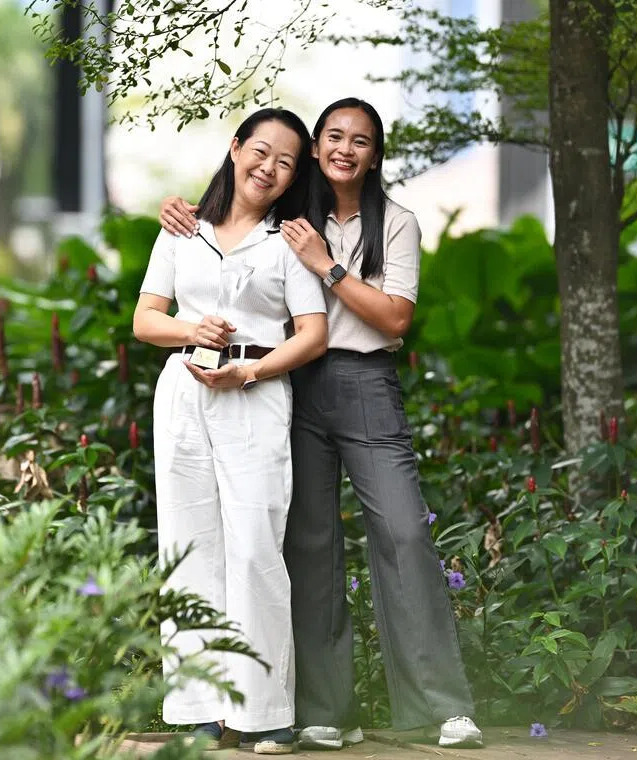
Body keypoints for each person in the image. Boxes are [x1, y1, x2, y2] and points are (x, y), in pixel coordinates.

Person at [157, 97, 484, 750]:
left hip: (364, 382)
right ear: (315, 148)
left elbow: (394, 317)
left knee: (402, 532)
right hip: (294, 384)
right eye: (333, 136)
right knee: (306, 544)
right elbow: (226, 227)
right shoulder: (289, 208)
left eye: (360, 141)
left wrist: (326, 265)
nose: (344, 149)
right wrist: (178, 210)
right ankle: (326, 709)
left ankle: (443, 705)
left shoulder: (396, 222)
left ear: (376, 155)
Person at [133, 107, 329, 755]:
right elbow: (145, 320)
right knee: (190, 545)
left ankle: (265, 712)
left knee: (253, 545)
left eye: (286, 162)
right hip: (184, 393)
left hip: (255, 392)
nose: (269, 168)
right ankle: (200, 709)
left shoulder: (288, 242)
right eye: (261, 151)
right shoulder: (181, 231)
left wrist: (251, 372)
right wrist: (193, 330)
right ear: (236, 147)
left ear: (294, 177)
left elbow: (313, 334)